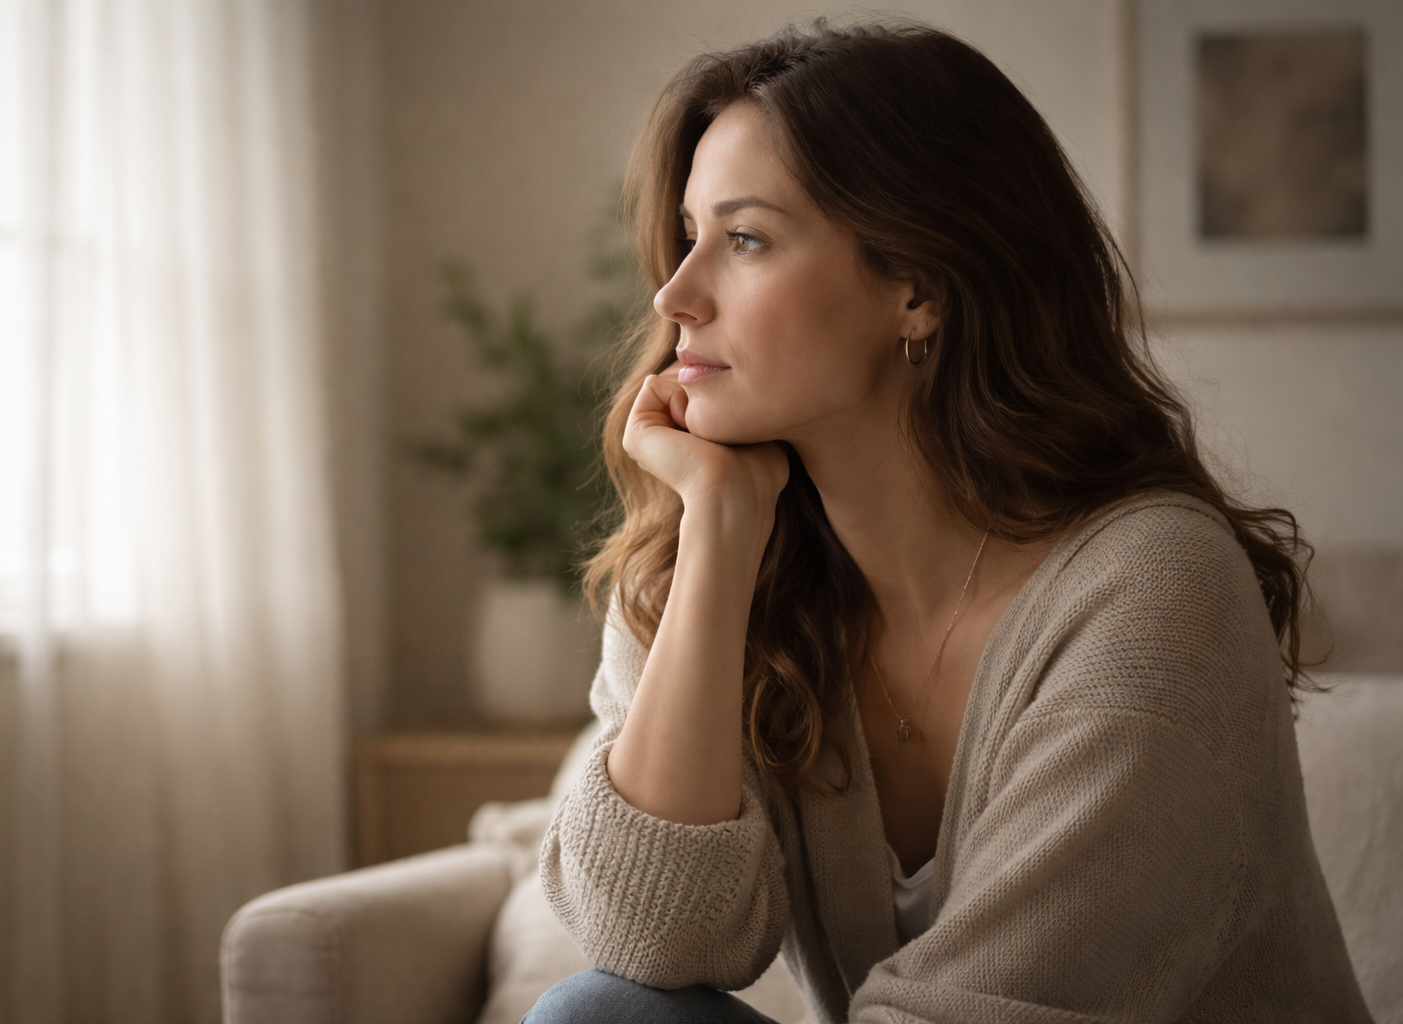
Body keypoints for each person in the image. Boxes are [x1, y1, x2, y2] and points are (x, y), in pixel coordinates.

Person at [527, 21, 1373, 1024]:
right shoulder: (728, 556)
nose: (675, 294)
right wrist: (717, 529)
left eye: (745, 239)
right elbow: (654, 941)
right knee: (603, 1013)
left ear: (918, 289)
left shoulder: (1153, 590)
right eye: (688, 235)